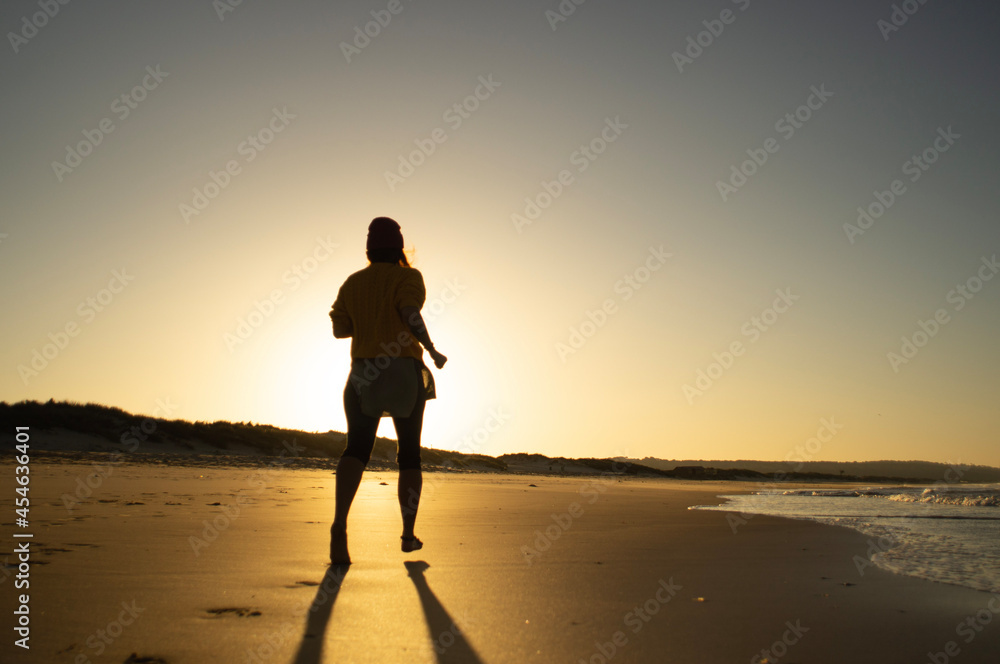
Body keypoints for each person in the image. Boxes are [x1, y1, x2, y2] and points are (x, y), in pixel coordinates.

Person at [328, 217, 447, 565]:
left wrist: (367, 318)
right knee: (409, 455)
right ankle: (408, 536)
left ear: (369, 247)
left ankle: (339, 526)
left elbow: (339, 328)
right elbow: (410, 312)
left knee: (356, 449)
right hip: (401, 372)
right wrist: (432, 347)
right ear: (399, 247)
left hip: (363, 372)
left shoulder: (353, 282)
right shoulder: (408, 277)